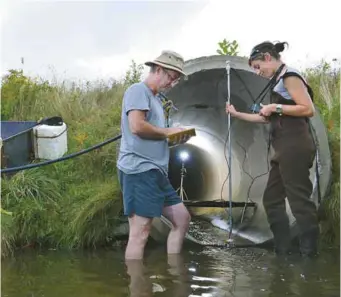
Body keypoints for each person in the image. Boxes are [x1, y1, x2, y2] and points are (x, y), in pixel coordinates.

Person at [226, 41, 319, 257]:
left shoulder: (290, 77)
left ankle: (310, 255)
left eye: (258, 66)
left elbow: (308, 109)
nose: (257, 73)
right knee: (271, 199)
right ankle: (283, 251)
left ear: (268, 57)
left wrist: (274, 106)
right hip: (282, 149)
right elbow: (265, 118)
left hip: (295, 146)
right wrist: (237, 114)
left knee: (299, 201)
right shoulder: (276, 82)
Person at [117, 50, 192, 260]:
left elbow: (156, 135)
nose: (172, 84)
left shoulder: (157, 100)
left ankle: (174, 273)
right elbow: (137, 126)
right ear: (158, 69)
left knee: (182, 219)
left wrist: (176, 136)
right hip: (139, 170)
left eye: (176, 80)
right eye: (171, 77)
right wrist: (168, 132)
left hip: (157, 172)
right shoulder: (137, 91)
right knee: (140, 232)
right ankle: (138, 288)